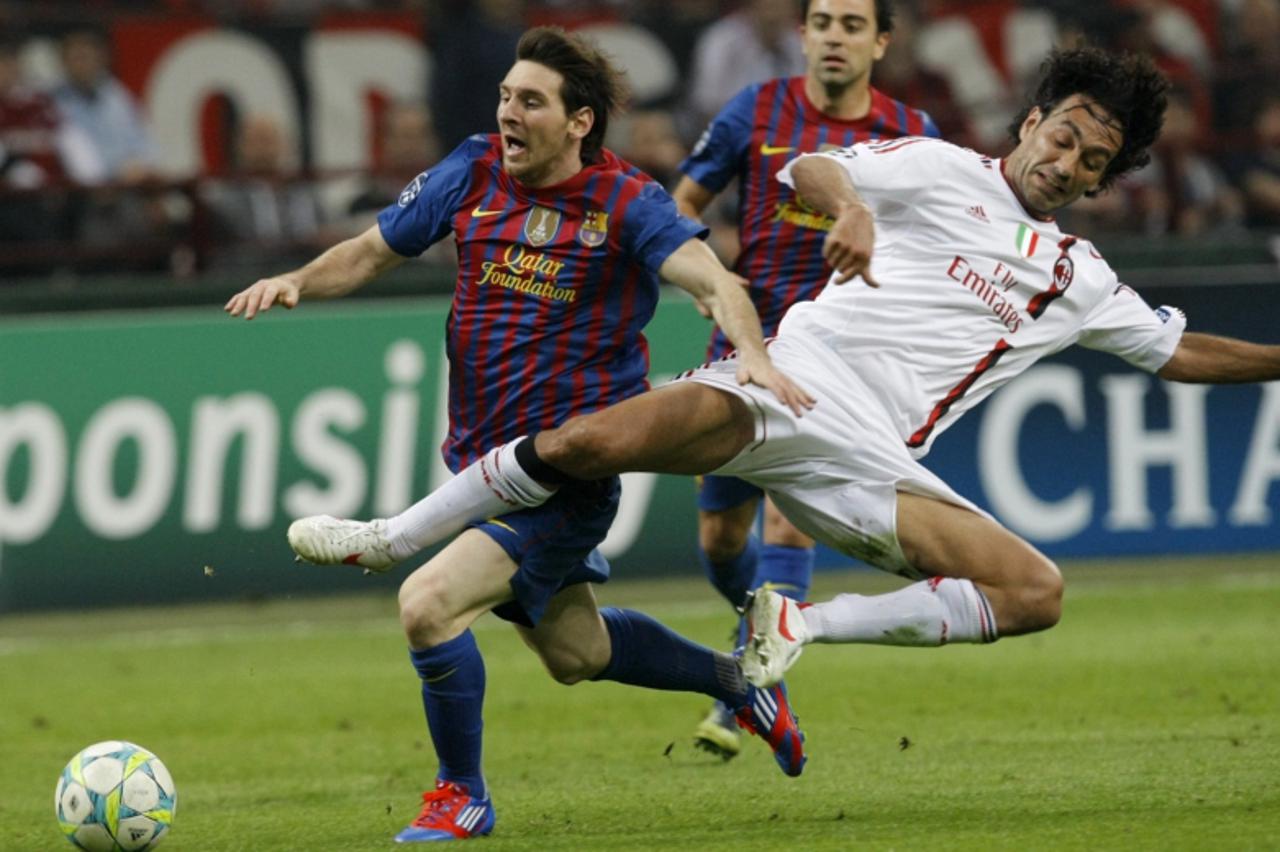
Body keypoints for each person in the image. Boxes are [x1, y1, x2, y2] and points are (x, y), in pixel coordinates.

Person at [289, 46, 1280, 706]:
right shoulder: (941, 171)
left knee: (1034, 591)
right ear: (1028, 124)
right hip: (788, 381)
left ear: (1101, 183)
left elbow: (1174, 350)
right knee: (592, 439)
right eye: (1061, 134)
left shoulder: (1078, 279)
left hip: (865, 463)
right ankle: (392, 536)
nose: (1064, 161)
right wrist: (848, 206)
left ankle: (802, 618)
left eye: (1089, 159)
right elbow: (809, 168)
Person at [228, 26, 812, 844]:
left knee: (427, 605)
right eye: (505, 95)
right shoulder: (470, 168)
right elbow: (368, 252)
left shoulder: (626, 202)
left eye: (530, 101)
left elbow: (713, 280)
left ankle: (460, 794)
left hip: (564, 474)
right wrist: (295, 280)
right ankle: (739, 683)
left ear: (578, 122)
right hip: (479, 463)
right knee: (575, 651)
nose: (508, 112)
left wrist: (750, 349)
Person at [672, 0, 939, 759]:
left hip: (846, 358)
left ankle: (746, 692)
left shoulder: (912, 134)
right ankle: (760, 663)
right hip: (750, 347)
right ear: (803, 33)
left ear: (881, 41)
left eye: (853, 24)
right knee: (722, 539)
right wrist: (701, 271)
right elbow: (680, 204)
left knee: (789, 519)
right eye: (822, 20)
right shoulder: (755, 111)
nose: (834, 36)